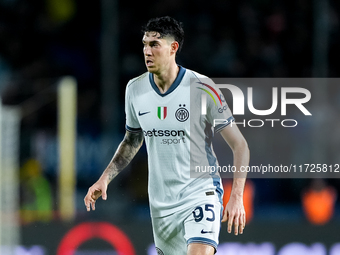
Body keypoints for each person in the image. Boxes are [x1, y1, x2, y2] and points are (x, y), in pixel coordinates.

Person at [84, 16, 250, 255]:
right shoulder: (135, 89)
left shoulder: (203, 88)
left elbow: (240, 145)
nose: (146, 51)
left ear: (173, 48)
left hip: (200, 193)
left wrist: (236, 197)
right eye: (144, 44)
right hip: (161, 204)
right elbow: (132, 140)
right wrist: (105, 178)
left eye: (154, 45)